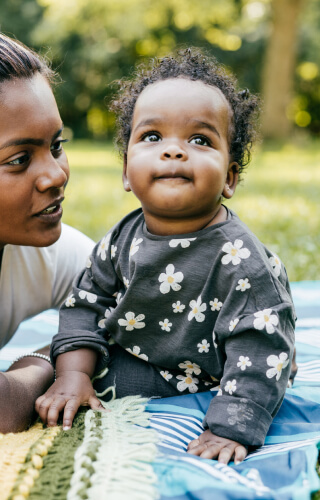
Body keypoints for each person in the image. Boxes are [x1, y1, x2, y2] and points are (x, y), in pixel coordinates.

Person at [36, 48, 295, 465]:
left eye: (200, 140)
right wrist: (72, 374)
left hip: (215, 367)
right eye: (152, 137)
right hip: (142, 352)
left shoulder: (241, 262)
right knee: (57, 374)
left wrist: (229, 428)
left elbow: (257, 348)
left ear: (229, 177)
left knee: (267, 362)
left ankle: (286, 361)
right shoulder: (122, 238)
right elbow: (87, 304)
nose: (173, 151)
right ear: (125, 171)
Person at [0, 33, 94, 433]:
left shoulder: (46, 254)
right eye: (19, 160)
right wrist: (50, 361)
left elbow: (132, 309)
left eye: (56, 145)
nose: (56, 175)